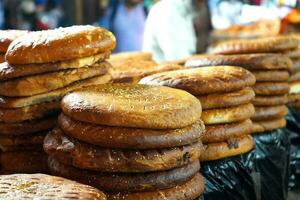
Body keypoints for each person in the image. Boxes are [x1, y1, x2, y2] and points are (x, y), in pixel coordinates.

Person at [143, 0, 211, 62]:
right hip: (166, 72)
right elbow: (181, 61)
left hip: (187, 68)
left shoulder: (199, 6)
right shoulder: (167, 10)